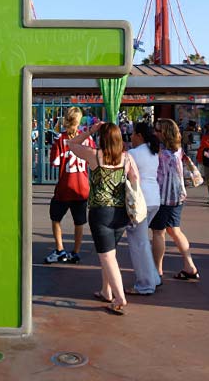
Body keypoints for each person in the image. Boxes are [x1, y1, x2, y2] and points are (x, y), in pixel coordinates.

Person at [68, 121, 140, 315]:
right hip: (121, 212)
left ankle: (119, 297)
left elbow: (71, 145)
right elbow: (135, 181)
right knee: (110, 254)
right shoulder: (127, 158)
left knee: (107, 255)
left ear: (102, 138)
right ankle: (106, 291)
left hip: (101, 212)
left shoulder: (94, 155)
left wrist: (89, 131)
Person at [151, 118, 200, 282]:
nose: (154, 132)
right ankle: (189, 266)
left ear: (163, 133)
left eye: (157, 130)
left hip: (163, 197)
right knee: (175, 230)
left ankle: (157, 271)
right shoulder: (178, 150)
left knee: (158, 232)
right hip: (178, 196)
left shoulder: (161, 153)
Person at [45, 107, 92, 265]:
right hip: (82, 187)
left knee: (56, 218)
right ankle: (76, 252)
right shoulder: (86, 139)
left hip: (65, 186)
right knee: (79, 221)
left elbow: (55, 162)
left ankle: (60, 249)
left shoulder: (61, 140)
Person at [126, 121, 162, 296]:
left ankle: (146, 284)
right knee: (143, 242)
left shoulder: (133, 153)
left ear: (139, 135)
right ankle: (153, 277)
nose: (131, 137)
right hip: (154, 199)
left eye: (133, 134)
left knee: (138, 244)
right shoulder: (153, 151)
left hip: (141, 200)